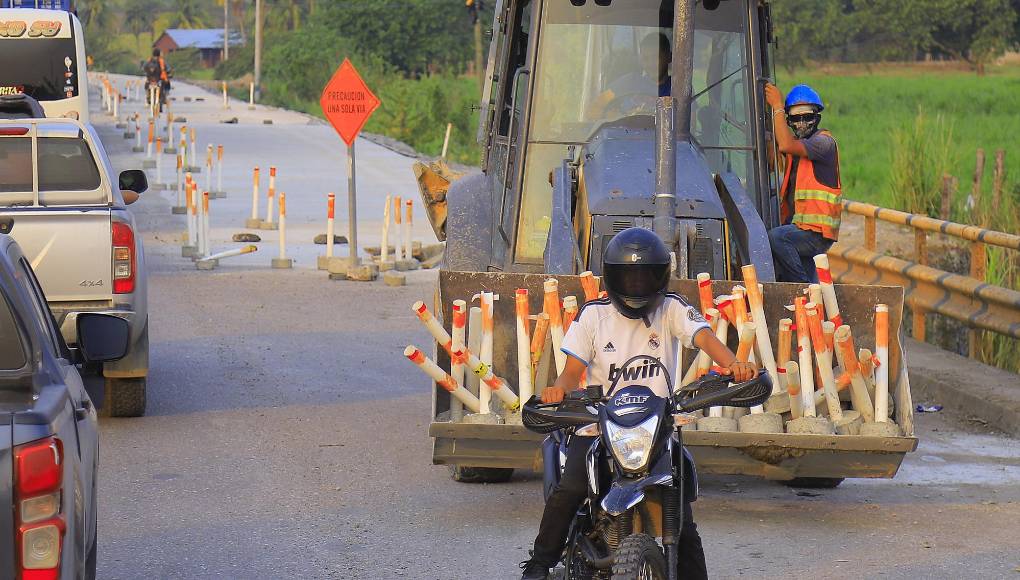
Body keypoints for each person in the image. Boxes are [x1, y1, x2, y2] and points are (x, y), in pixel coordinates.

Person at [519, 227, 758, 580]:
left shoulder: (672, 308)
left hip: (658, 423)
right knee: (570, 488)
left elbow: (704, 337)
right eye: (627, 277)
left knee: (683, 519)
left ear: (660, 277)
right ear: (612, 277)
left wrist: (732, 363)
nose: (636, 285)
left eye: (645, 277)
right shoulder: (593, 314)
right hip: (601, 420)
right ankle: (539, 561)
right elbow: (572, 371)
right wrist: (558, 389)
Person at [764, 83, 843, 283]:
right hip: (801, 227)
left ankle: (803, 289)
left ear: (817, 117)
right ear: (789, 121)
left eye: (807, 117)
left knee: (777, 238)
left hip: (816, 232)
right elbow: (781, 145)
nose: (802, 123)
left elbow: (785, 144)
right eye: (796, 118)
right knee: (812, 278)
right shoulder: (798, 149)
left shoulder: (823, 144)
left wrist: (778, 107)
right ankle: (814, 307)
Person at [587, 32, 671, 119]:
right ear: (641, 60)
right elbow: (593, 110)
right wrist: (616, 117)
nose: (651, 64)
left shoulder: (677, 88)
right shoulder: (629, 82)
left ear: (669, 57)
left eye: (656, 57)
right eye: (645, 59)